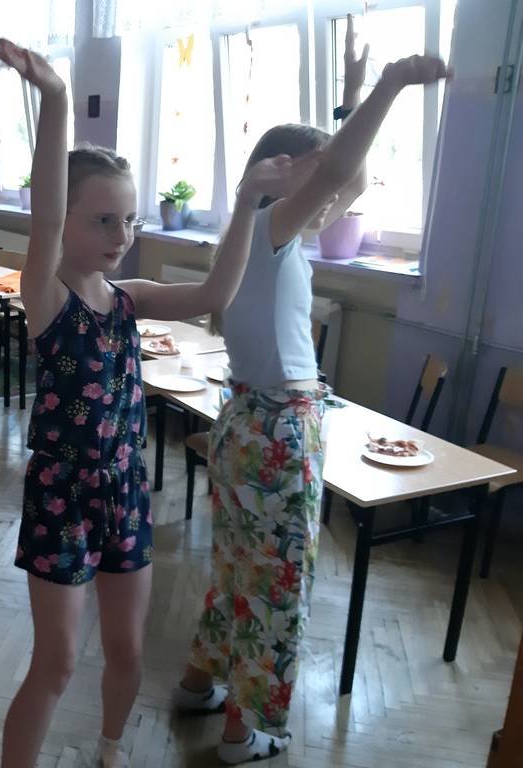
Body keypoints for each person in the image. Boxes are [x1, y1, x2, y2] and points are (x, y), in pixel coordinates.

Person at [0, 39, 319, 768]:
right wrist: (56, 100)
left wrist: (246, 203)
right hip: (62, 495)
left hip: (125, 490)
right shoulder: (48, 298)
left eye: (130, 220)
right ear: (65, 221)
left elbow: (216, 292)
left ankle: (110, 749)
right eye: (103, 220)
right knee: (57, 662)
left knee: (129, 652)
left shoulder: (127, 299)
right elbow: (44, 215)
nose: (122, 236)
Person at [173, 23, 450, 764]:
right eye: (319, 174)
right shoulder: (270, 225)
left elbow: (342, 178)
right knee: (277, 585)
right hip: (276, 430)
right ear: (284, 173)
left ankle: (200, 682)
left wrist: (349, 97)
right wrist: (390, 84)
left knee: (239, 570)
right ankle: (244, 732)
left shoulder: (256, 231)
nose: (336, 197)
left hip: (247, 421)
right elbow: (337, 174)